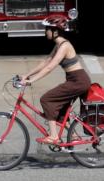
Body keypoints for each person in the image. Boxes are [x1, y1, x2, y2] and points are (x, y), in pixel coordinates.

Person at [22, 15, 91, 144]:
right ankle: (74, 136)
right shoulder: (58, 45)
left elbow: (50, 68)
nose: (45, 32)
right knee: (60, 112)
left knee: (47, 99)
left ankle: (54, 136)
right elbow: (46, 62)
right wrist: (27, 75)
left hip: (78, 81)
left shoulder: (64, 46)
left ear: (55, 31)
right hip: (74, 80)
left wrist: (32, 81)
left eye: (47, 29)